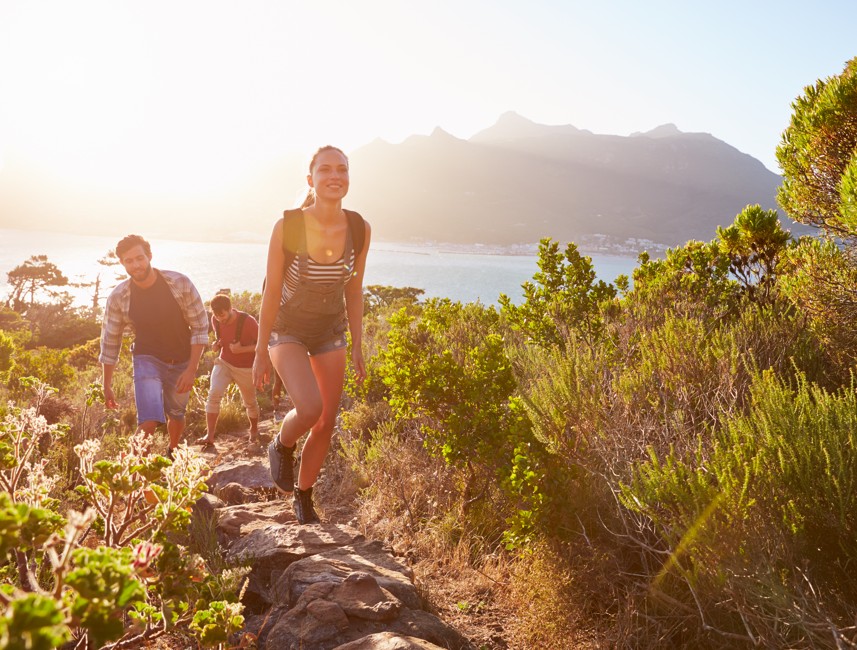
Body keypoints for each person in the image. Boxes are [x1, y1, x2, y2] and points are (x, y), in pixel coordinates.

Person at [254, 145, 371, 525]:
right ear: (311, 179)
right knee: (309, 408)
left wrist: (357, 344)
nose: (334, 176)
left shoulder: (359, 228)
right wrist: (259, 350)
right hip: (287, 328)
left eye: (342, 169)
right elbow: (271, 291)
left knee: (326, 421)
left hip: (330, 331)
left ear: (349, 178)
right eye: (325, 170)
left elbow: (354, 292)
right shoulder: (287, 226)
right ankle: (281, 443)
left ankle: (303, 498)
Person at [99, 234, 208, 458]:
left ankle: (173, 450)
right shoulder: (119, 297)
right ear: (122, 263)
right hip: (146, 359)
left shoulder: (180, 283)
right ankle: (137, 478)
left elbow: (199, 327)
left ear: (149, 256)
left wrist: (191, 370)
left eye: (139, 258)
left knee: (176, 414)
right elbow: (110, 342)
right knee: (148, 420)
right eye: (129, 261)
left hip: (182, 360)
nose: (135, 265)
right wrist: (106, 384)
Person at [200, 293, 261, 449]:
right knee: (214, 394)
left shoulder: (248, 322)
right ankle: (210, 435)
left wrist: (242, 350)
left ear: (230, 308)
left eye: (222, 315)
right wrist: (216, 345)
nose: (220, 319)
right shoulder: (215, 319)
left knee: (250, 402)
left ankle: (254, 430)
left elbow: (264, 345)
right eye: (216, 315)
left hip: (245, 368)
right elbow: (220, 340)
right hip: (224, 362)